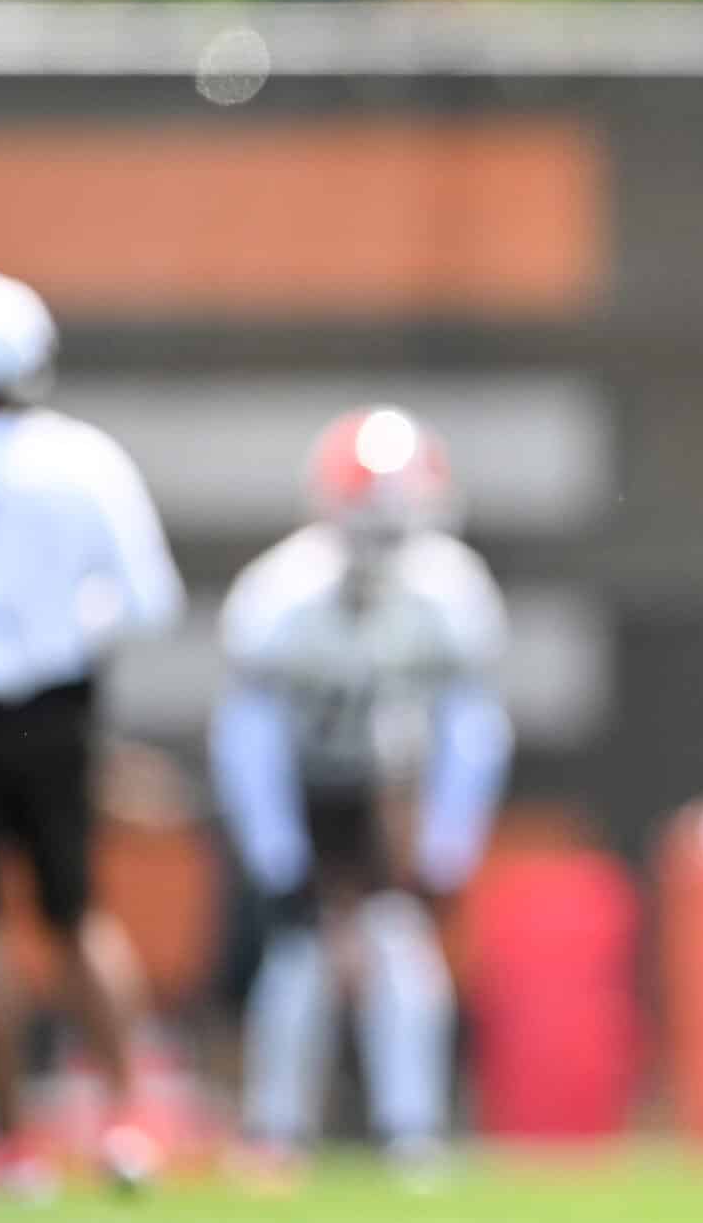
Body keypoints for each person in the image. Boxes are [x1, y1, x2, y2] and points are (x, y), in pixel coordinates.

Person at [213, 407, 510, 1176]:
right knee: (298, 958)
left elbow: (470, 728)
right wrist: (276, 850)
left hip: (389, 789)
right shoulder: (281, 594)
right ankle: (276, 1128)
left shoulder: (451, 590)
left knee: (401, 951)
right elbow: (249, 739)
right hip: (306, 787)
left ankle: (409, 1129)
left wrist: (447, 841)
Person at [0, 269, 183, 1197]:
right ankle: (131, 1117)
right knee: (75, 910)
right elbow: (148, 599)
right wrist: (54, 632)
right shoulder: (84, 457)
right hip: (58, 711)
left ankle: (13, 1141)